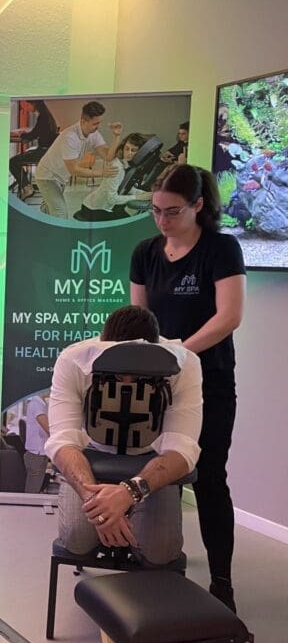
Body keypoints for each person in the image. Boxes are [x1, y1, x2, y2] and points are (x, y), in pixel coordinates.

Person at [130, 164, 246, 611]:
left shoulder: (221, 248)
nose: (162, 220)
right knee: (161, 475)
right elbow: (140, 320)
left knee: (211, 479)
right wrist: (151, 360)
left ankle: (222, 585)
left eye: (172, 211)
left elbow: (229, 317)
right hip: (160, 386)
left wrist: (177, 354)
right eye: (155, 210)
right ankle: (159, 565)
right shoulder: (145, 253)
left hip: (209, 381)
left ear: (198, 205)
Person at [45, 305, 202, 566]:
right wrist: (97, 504)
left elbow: (182, 449)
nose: (127, 380)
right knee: (77, 541)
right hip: (93, 457)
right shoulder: (74, 360)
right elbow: (63, 441)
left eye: (139, 372)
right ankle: (117, 521)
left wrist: (130, 492)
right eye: (119, 372)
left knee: (160, 553)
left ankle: (136, 530)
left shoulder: (184, 366)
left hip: (150, 459)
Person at [34, 101, 123, 219]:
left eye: (99, 122)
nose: (98, 126)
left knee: (48, 210)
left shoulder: (94, 134)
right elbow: (74, 170)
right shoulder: (70, 137)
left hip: (60, 177)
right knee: (60, 213)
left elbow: (108, 156)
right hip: (47, 176)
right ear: (83, 121)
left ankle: (40, 227)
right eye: (95, 123)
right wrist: (102, 173)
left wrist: (117, 136)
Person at [74, 132, 152, 222]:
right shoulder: (117, 168)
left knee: (129, 213)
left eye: (133, 150)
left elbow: (125, 187)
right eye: (127, 149)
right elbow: (112, 199)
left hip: (99, 206)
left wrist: (146, 194)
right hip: (92, 209)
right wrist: (138, 197)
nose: (129, 153)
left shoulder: (126, 165)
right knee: (128, 219)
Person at [9, 99, 59, 197]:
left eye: (27, 105)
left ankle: (26, 187)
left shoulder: (43, 117)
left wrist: (21, 134)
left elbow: (33, 135)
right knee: (19, 159)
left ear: (34, 104)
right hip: (48, 151)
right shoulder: (47, 116)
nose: (26, 108)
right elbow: (36, 132)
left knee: (13, 162)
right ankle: (25, 184)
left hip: (43, 152)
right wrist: (25, 134)